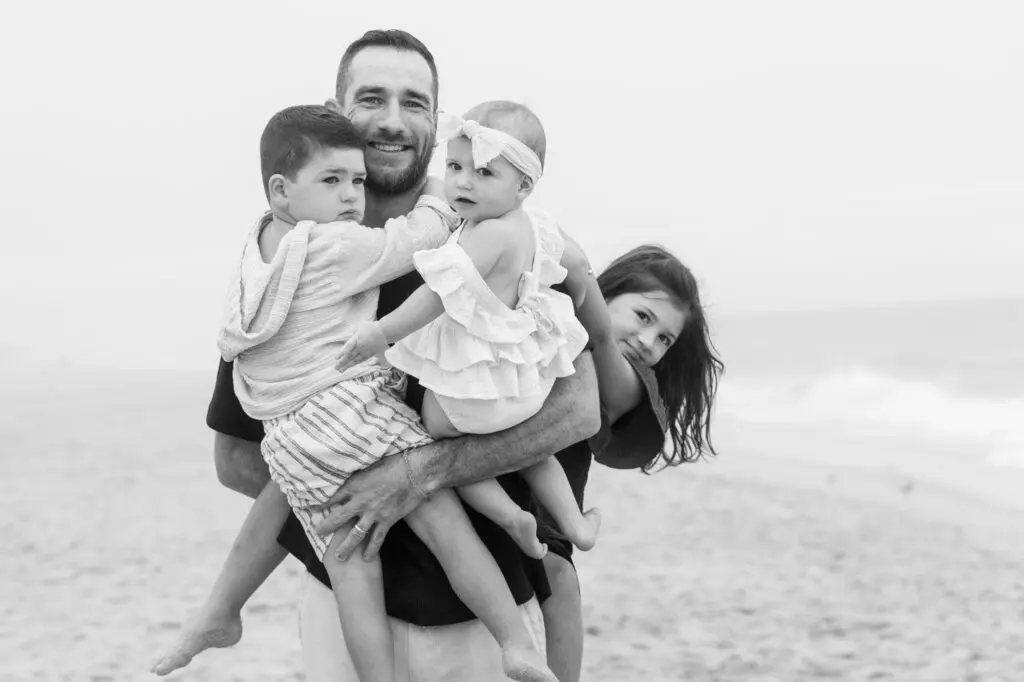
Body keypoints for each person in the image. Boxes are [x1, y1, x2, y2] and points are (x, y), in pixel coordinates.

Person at [152, 29, 603, 682]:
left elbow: (580, 408)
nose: (393, 120)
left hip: (487, 609)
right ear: (337, 110)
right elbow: (238, 458)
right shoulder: (297, 264)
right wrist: (354, 493)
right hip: (343, 593)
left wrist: (418, 476)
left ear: (440, 120)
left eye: (415, 103)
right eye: (372, 98)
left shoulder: (496, 233)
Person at [335, 101, 603, 559]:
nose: (462, 181)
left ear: (523, 185)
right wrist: (573, 300)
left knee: (436, 432)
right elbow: (576, 263)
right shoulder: (533, 224)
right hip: (523, 384)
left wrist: (382, 333)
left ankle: (512, 517)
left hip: (478, 390)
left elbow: (435, 295)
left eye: (482, 173)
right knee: (532, 453)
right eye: (455, 166)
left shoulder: (488, 235)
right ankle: (576, 524)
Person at [536, 244, 725, 682]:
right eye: (643, 317)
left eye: (665, 339)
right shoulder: (549, 323)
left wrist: (576, 268)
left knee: (559, 579)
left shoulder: (634, 384)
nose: (648, 342)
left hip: (549, 541)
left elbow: (600, 337)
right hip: (488, 509)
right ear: (612, 295)